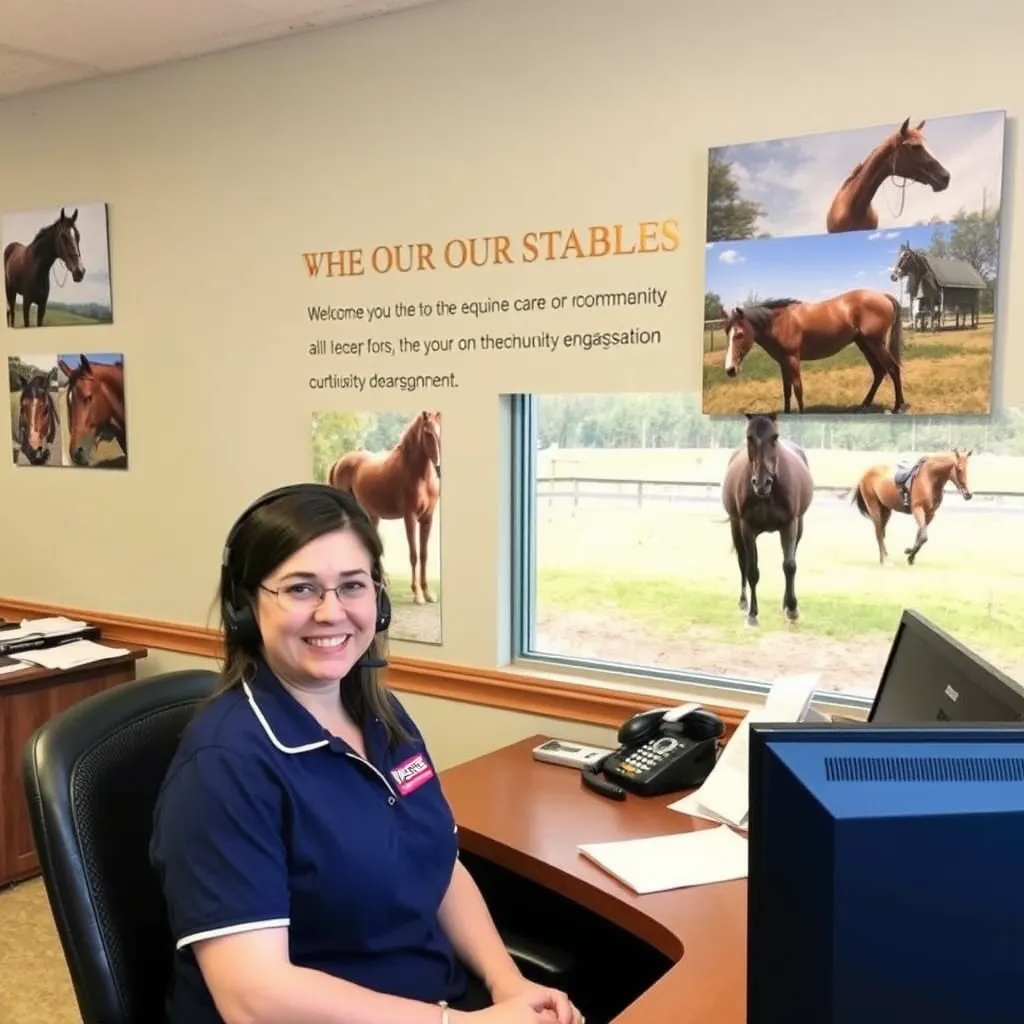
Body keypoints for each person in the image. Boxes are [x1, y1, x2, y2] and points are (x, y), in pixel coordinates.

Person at [149, 483, 583, 1024]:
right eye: (301, 589)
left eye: (352, 586)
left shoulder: (381, 715)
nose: (332, 612)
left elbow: (438, 865)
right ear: (244, 606)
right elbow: (253, 999)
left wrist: (507, 983)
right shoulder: (224, 765)